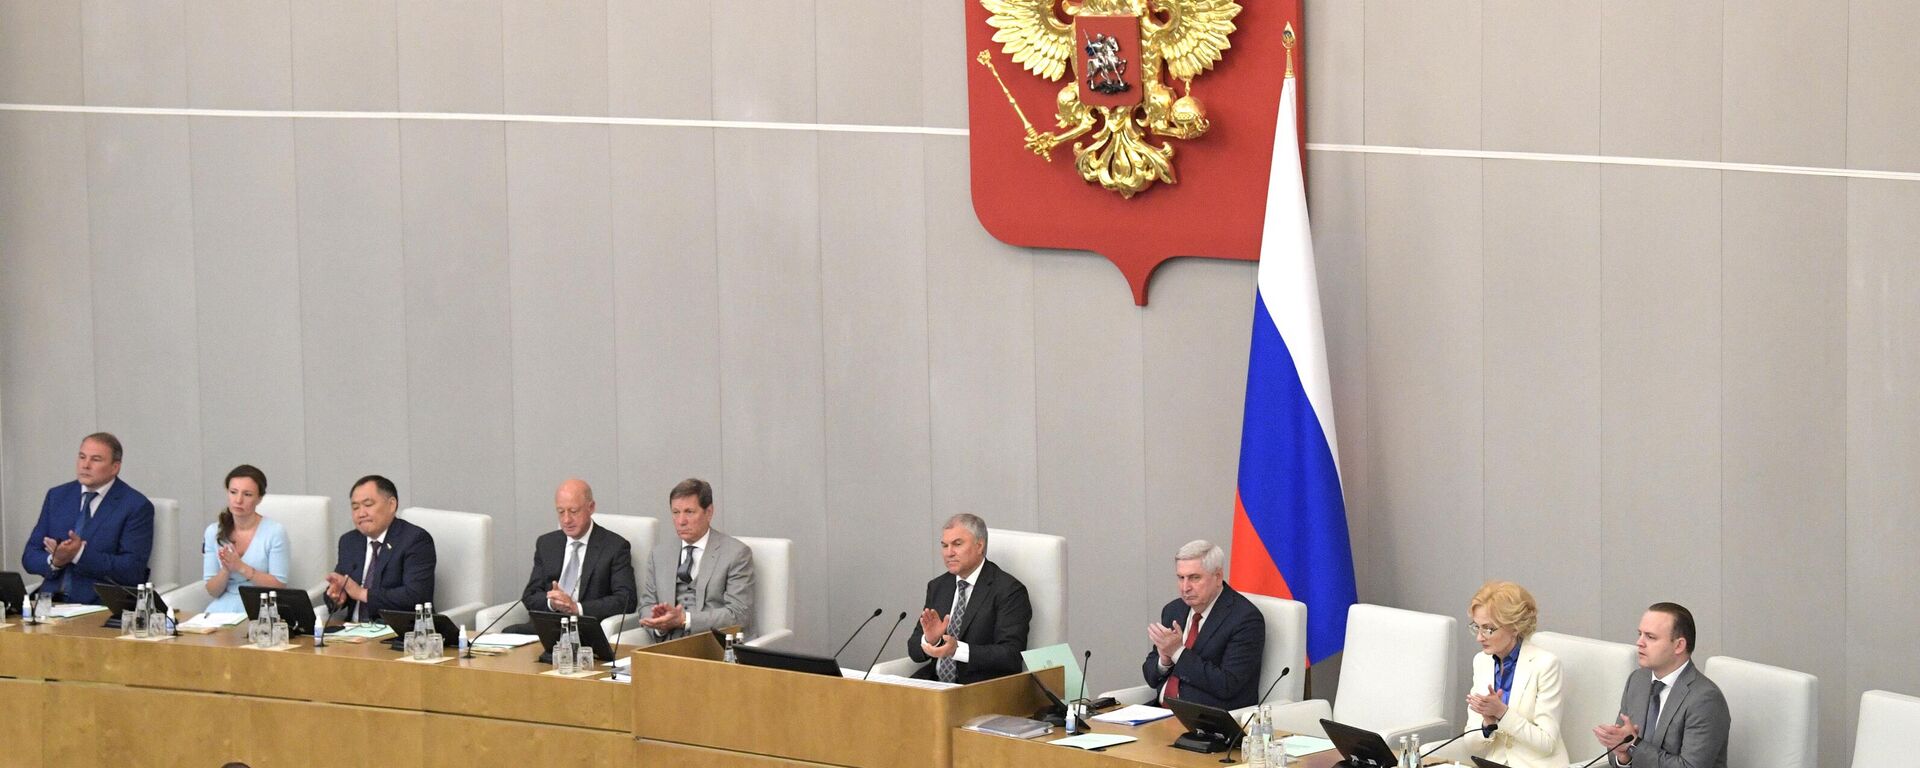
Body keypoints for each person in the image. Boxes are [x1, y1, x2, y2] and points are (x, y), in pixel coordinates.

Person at [21, 433, 155, 604]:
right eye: (82, 457)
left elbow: (132, 569)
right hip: (49, 605)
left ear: (115, 467)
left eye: (96, 459)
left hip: (98, 607)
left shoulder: (135, 506)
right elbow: (30, 556)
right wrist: (55, 561)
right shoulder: (57, 496)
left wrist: (79, 555)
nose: (85, 465)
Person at [1593, 603, 1730, 768]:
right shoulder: (1637, 680)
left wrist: (1634, 745)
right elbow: (1619, 749)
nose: (1639, 642)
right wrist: (1623, 755)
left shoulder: (1705, 699)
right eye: (1640, 634)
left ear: (1679, 645)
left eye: (1650, 637)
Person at [1448, 581, 1568, 767]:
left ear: (1514, 627)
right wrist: (1487, 725)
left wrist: (1502, 714)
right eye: (1476, 627)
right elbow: (1471, 743)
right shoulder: (1481, 662)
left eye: (1488, 629)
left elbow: (1547, 743)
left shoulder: (1545, 665)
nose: (1480, 637)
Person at [904, 513, 1032, 684]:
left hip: (980, 688)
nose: (949, 553)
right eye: (944, 545)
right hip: (936, 686)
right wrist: (930, 640)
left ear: (979, 546)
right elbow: (914, 650)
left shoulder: (1009, 590)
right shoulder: (938, 586)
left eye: (957, 544)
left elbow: (1011, 655)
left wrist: (957, 650)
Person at [1140, 540, 1264, 709]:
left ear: (1218, 577)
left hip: (1205, 721)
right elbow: (1151, 677)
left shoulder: (1245, 618)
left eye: (1194, 578)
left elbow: (1228, 685)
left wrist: (1177, 651)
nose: (1185, 587)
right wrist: (1165, 660)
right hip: (1159, 713)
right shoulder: (1174, 610)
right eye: (1181, 578)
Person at [510, 479, 637, 632]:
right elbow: (530, 595)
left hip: (584, 628)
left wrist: (576, 608)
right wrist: (553, 603)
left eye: (573, 511)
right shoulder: (547, 543)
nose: (566, 520)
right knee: (505, 637)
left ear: (591, 507)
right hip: (548, 625)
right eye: (560, 511)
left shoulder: (614, 546)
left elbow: (625, 600)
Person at [638, 478, 753, 640]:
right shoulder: (659, 554)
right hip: (667, 646)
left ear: (709, 512)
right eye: (676, 512)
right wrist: (660, 625)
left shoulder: (736, 553)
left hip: (712, 644)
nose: (681, 521)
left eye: (689, 512)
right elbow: (646, 605)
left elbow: (739, 614)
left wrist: (686, 620)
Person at [323, 475, 435, 622]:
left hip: (397, 633)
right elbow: (343, 585)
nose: (361, 513)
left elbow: (416, 597)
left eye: (368, 505)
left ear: (392, 505)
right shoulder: (349, 541)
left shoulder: (415, 540)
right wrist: (337, 597)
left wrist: (362, 593)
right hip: (351, 633)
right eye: (355, 507)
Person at [199, 465, 290, 614]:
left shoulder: (275, 532)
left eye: (247, 494)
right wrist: (226, 569)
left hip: (260, 607)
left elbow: (279, 586)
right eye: (233, 492)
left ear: (259, 498)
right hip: (222, 608)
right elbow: (212, 591)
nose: (238, 500)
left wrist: (240, 567)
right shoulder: (213, 532)